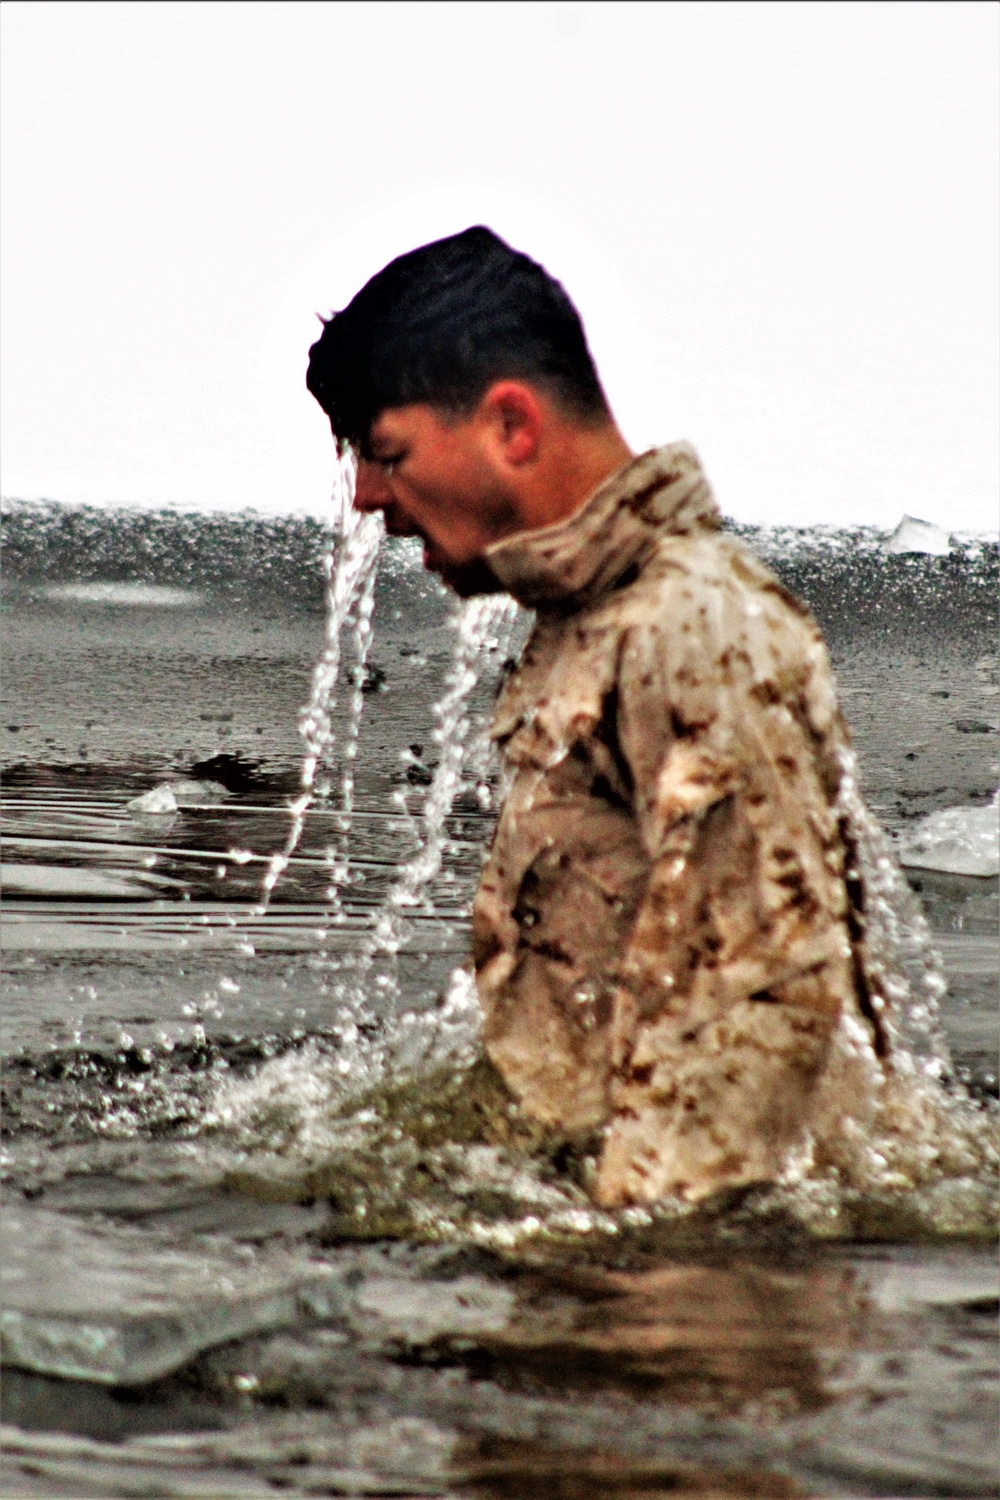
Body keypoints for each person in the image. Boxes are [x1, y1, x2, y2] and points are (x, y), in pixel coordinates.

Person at [306, 226, 890, 1207]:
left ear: (511, 426)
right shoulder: (587, 619)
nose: (367, 496)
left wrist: (638, 1306)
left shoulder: (694, 626)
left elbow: (762, 1007)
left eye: (387, 452)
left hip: (695, 1287)